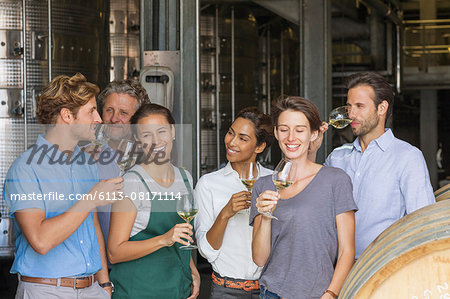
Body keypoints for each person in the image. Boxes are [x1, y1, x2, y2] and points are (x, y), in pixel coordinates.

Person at [3, 73, 123, 298]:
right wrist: (90, 199)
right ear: (67, 115)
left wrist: (105, 285)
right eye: (91, 111)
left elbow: (93, 226)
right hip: (46, 290)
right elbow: (40, 241)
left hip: (92, 289)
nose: (98, 119)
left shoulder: (87, 163)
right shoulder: (25, 169)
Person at [310, 72, 435, 259]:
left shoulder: (408, 157)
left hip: (381, 268)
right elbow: (311, 201)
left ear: (382, 107)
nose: (351, 114)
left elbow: (423, 223)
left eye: (360, 106)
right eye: (349, 107)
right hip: (334, 268)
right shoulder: (338, 157)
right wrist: (312, 150)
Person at [252, 96, 357, 299]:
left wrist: (331, 294)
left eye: (300, 130)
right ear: (276, 132)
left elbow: (347, 251)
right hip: (272, 294)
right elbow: (259, 258)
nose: (291, 137)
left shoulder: (336, 180)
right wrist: (265, 216)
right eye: (284, 129)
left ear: (314, 134)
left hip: (319, 295)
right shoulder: (263, 186)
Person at [107, 103, 200, 298]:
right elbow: (114, 252)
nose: (156, 140)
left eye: (162, 131)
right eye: (147, 134)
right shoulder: (132, 182)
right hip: (138, 291)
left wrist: (192, 269)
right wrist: (163, 239)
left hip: (177, 289)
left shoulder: (185, 177)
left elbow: (181, 235)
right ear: (137, 139)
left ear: (173, 131)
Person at [195, 107, 274, 298]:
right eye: (231, 133)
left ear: (259, 147)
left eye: (243, 138)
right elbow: (205, 251)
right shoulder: (208, 184)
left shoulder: (273, 182)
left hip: (270, 289)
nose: (231, 142)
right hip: (225, 291)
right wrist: (225, 214)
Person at [95, 79, 151, 251]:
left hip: (141, 263)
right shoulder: (85, 156)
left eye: (123, 113)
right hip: (99, 267)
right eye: (109, 110)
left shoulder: (151, 156)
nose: (114, 119)